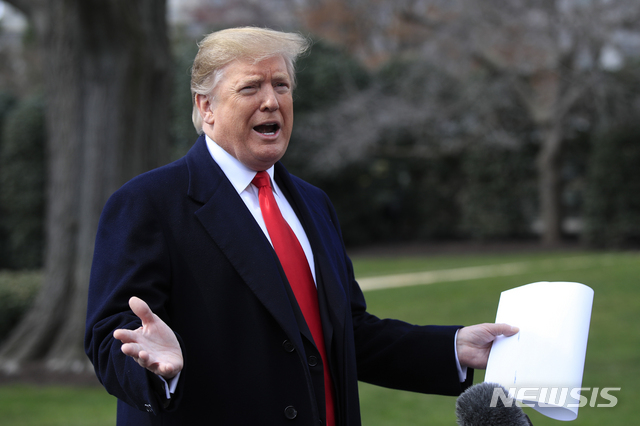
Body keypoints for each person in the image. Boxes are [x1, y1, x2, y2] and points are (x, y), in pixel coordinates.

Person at [84, 27, 518, 426]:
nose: (271, 101)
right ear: (206, 107)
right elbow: (111, 338)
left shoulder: (313, 203)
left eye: (281, 85)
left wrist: (453, 348)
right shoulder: (148, 203)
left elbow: (348, 333)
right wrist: (156, 371)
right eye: (250, 87)